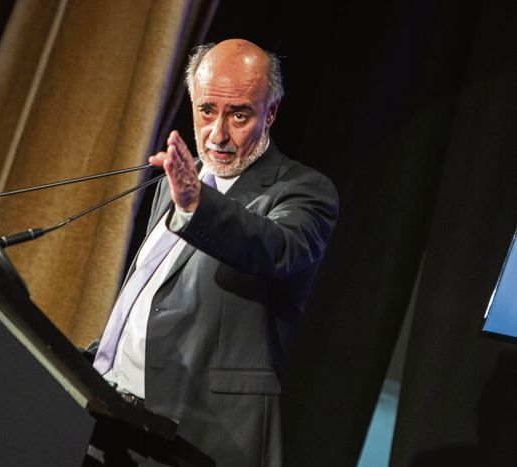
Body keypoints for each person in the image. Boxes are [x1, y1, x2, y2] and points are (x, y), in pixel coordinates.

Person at [88, 39, 339, 466]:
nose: (218, 134)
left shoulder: (303, 191)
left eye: (238, 115)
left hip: (192, 438)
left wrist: (195, 204)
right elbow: (148, 296)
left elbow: (273, 247)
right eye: (207, 111)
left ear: (270, 113)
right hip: (109, 416)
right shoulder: (178, 181)